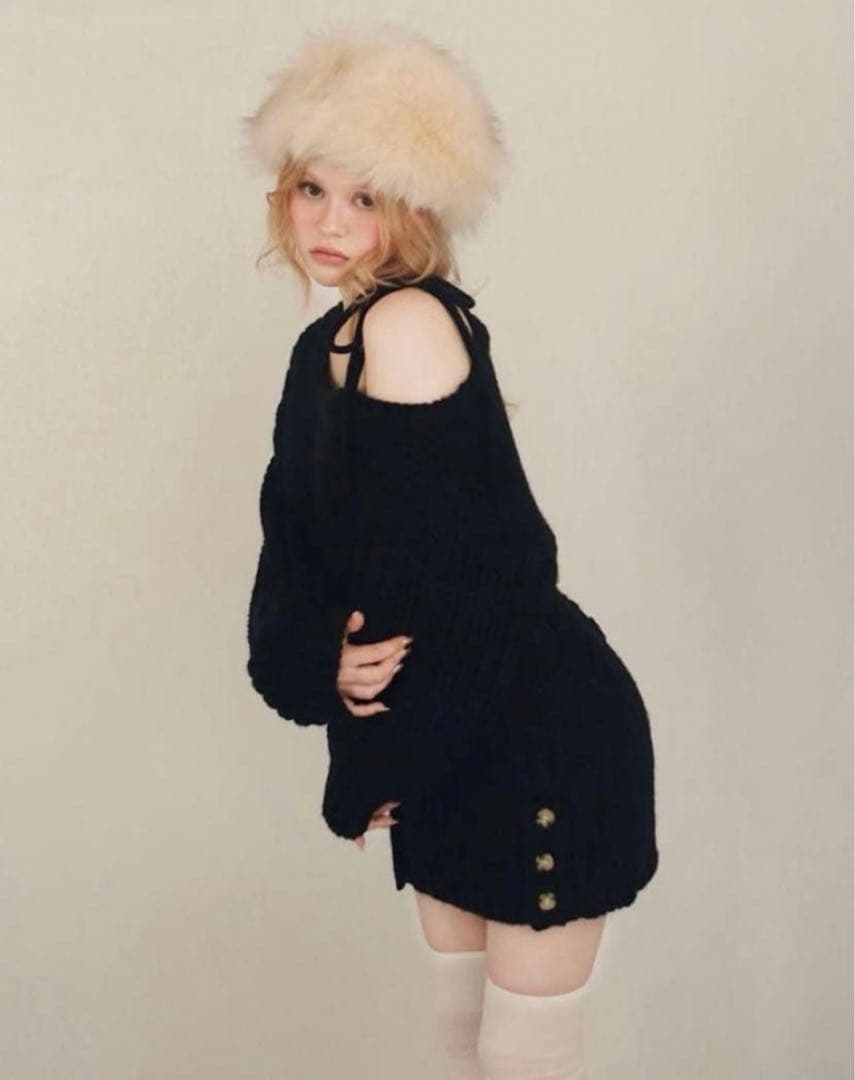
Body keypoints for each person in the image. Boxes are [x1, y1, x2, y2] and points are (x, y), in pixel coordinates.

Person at [240, 21, 659, 1079]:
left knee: (522, 1059)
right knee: (463, 1048)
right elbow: (300, 556)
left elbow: (479, 584)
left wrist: (373, 759)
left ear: (416, 209)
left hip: (529, 728)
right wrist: (320, 661)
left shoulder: (408, 324)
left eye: (366, 197)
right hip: (450, 729)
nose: (330, 221)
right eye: (312, 189)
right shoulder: (325, 347)